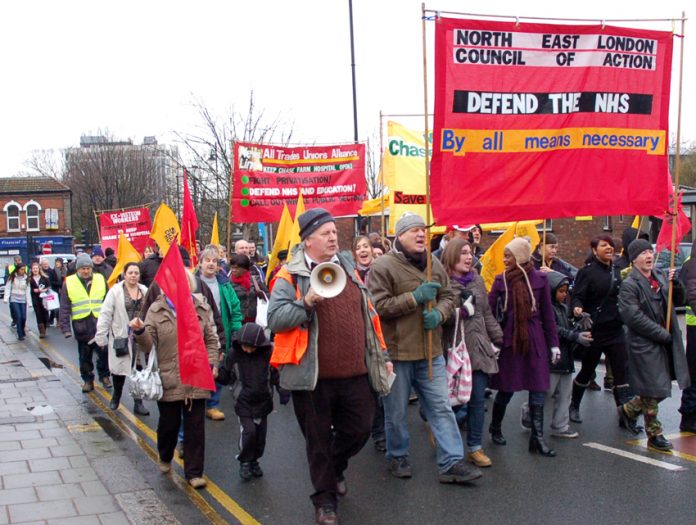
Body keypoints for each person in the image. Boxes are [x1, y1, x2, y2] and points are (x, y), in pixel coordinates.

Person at [268, 208, 390, 525]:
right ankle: (325, 502)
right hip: (313, 378)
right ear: (308, 240)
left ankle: (334, 467)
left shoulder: (349, 268)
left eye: (335, 231)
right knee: (318, 441)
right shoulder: (289, 276)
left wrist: (381, 356)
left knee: (360, 429)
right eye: (326, 232)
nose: (333, 237)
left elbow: (369, 316)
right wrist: (305, 303)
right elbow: (276, 320)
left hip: (355, 374)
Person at [369, 212, 482, 482]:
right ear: (399, 235)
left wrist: (441, 314)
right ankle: (398, 455)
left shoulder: (433, 263)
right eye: (414, 230)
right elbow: (377, 307)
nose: (421, 235)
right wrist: (414, 298)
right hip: (397, 353)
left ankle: (451, 462)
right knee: (395, 412)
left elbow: (449, 295)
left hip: (430, 352)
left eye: (423, 230)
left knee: (441, 407)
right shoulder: (383, 266)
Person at [131, 270, 219, 489]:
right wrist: (141, 332)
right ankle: (164, 454)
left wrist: (212, 363)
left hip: (196, 376)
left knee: (195, 428)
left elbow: (211, 338)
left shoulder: (201, 307)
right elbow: (149, 346)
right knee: (169, 425)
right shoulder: (156, 309)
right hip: (168, 376)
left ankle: (194, 472)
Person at [487, 237, 560, 457]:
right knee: (507, 388)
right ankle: (495, 427)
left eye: (508, 255)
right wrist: (493, 340)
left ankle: (537, 438)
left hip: (535, 339)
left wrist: (554, 345)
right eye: (504, 255)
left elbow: (548, 315)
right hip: (510, 341)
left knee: (538, 388)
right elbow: (490, 313)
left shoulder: (541, 279)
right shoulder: (501, 281)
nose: (505, 259)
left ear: (520, 256)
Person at [617, 239, 691, 451]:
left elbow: (679, 300)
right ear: (634, 259)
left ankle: (629, 410)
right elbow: (633, 317)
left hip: (665, 340)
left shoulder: (660, 275)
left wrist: (676, 283)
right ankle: (654, 434)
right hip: (644, 343)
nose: (649, 256)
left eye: (650, 251)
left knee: (661, 388)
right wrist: (660, 333)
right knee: (652, 388)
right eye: (643, 253)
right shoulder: (629, 285)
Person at [441, 238, 503, 467]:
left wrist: (498, 336)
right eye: (464, 253)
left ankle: (475, 447)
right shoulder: (442, 282)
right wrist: (459, 312)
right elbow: (441, 319)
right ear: (452, 256)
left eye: (471, 252)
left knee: (477, 399)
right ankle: (440, 430)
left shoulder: (477, 280)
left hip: (477, 348)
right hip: (454, 349)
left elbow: (485, 313)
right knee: (452, 402)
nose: (469, 257)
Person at [521, 272, 592, 439]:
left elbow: (566, 328)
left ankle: (560, 425)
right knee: (546, 392)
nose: (564, 294)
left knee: (565, 395)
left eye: (566, 291)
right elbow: (554, 330)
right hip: (551, 359)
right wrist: (575, 336)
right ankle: (528, 410)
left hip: (565, 358)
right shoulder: (545, 309)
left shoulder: (564, 308)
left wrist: (577, 324)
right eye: (560, 290)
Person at [569, 235, 631, 425]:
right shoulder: (587, 273)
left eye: (611, 245)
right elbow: (577, 296)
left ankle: (624, 415)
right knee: (587, 371)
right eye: (604, 245)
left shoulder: (619, 270)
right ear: (595, 250)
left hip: (616, 330)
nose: (609, 248)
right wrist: (577, 308)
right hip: (595, 331)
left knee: (621, 374)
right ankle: (574, 406)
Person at [217, 322, 277, 480]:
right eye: (244, 345)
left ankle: (255, 460)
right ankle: (244, 460)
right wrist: (217, 374)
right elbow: (226, 375)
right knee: (249, 432)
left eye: (250, 346)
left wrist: (284, 390)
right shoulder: (234, 354)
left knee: (260, 436)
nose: (247, 349)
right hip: (243, 402)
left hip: (263, 401)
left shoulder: (268, 354)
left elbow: (275, 374)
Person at [94, 262, 150, 414]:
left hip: (139, 337)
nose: (133, 275)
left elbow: (151, 311)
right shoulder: (115, 291)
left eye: (136, 273)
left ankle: (138, 403)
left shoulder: (144, 290)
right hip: (121, 337)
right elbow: (105, 313)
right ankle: (116, 396)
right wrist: (101, 335)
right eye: (130, 272)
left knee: (137, 370)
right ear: (124, 275)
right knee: (119, 371)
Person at [196, 245, 243, 422]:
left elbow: (235, 309)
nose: (210, 264)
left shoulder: (224, 284)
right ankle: (198, 402)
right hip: (198, 333)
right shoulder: (192, 282)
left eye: (214, 261)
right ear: (200, 263)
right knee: (199, 368)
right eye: (207, 260)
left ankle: (213, 405)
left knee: (217, 366)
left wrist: (236, 330)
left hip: (220, 332)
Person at [352, 235, 386, 453]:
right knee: (365, 389)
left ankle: (382, 432)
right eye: (358, 247)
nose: (363, 250)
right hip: (359, 339)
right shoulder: (349, 275)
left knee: (381, 389)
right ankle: (371, 431)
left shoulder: (382, 272)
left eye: (366, 246)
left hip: (382, 336)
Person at [60, 253, 111, 392]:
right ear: (77, 269)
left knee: (104, 353)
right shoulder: (69, 282)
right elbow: (64, 306)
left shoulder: (100, 279)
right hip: (82, 326)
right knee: (85, 356)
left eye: (88, 268)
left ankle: (105, 376)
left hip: (100, 324)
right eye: (82, 268)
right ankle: (88, 380)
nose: (86, 271)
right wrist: (65, 328)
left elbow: (108, 301)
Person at [680, 248, 696, 433]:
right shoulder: (692, 263)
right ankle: (689, 415)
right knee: (694, 375)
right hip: (694, 326)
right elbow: (692, 294)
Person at [4, 263, 28, 340]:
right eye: (21, 269)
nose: (23, 271)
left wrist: (29, 302)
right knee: (18, 316)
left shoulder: (26, 278)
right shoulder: (12, 277)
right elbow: (7, 288)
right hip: (14, 299)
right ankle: (20, 334)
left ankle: (22, 329)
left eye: (24, 269)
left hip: (23, 299)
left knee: (23, 317)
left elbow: (28, 290)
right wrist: (6, 298)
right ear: (17, 269)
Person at [28, 262, 51, 338]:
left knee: (44, 313)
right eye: (33, 268)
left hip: (44, 299)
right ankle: (42, 332)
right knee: (38, 315)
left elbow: (49, 286)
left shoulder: (44, 277)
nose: (35, 270)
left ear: (39, 269)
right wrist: (34, 290)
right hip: (35, 299)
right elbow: (28, 289)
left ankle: (45, 325)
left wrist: (44, 290)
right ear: (31, 270)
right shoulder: (30, 279)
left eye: (36, 268)